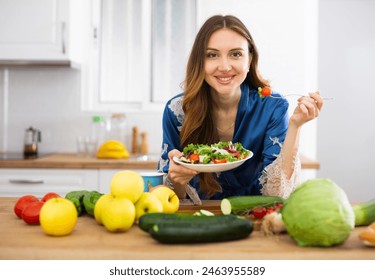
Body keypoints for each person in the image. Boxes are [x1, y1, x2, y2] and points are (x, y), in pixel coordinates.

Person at [158, 15, 323, 200]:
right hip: (198, 217)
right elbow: (168, 199)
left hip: (255, 219)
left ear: (250, 59)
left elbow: (277, 194)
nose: (225, 66)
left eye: (235, 54)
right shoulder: (177, 110)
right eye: (212, 55)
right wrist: (177, 179)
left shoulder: (272, 107)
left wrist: (295, 126)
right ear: (200, 61)